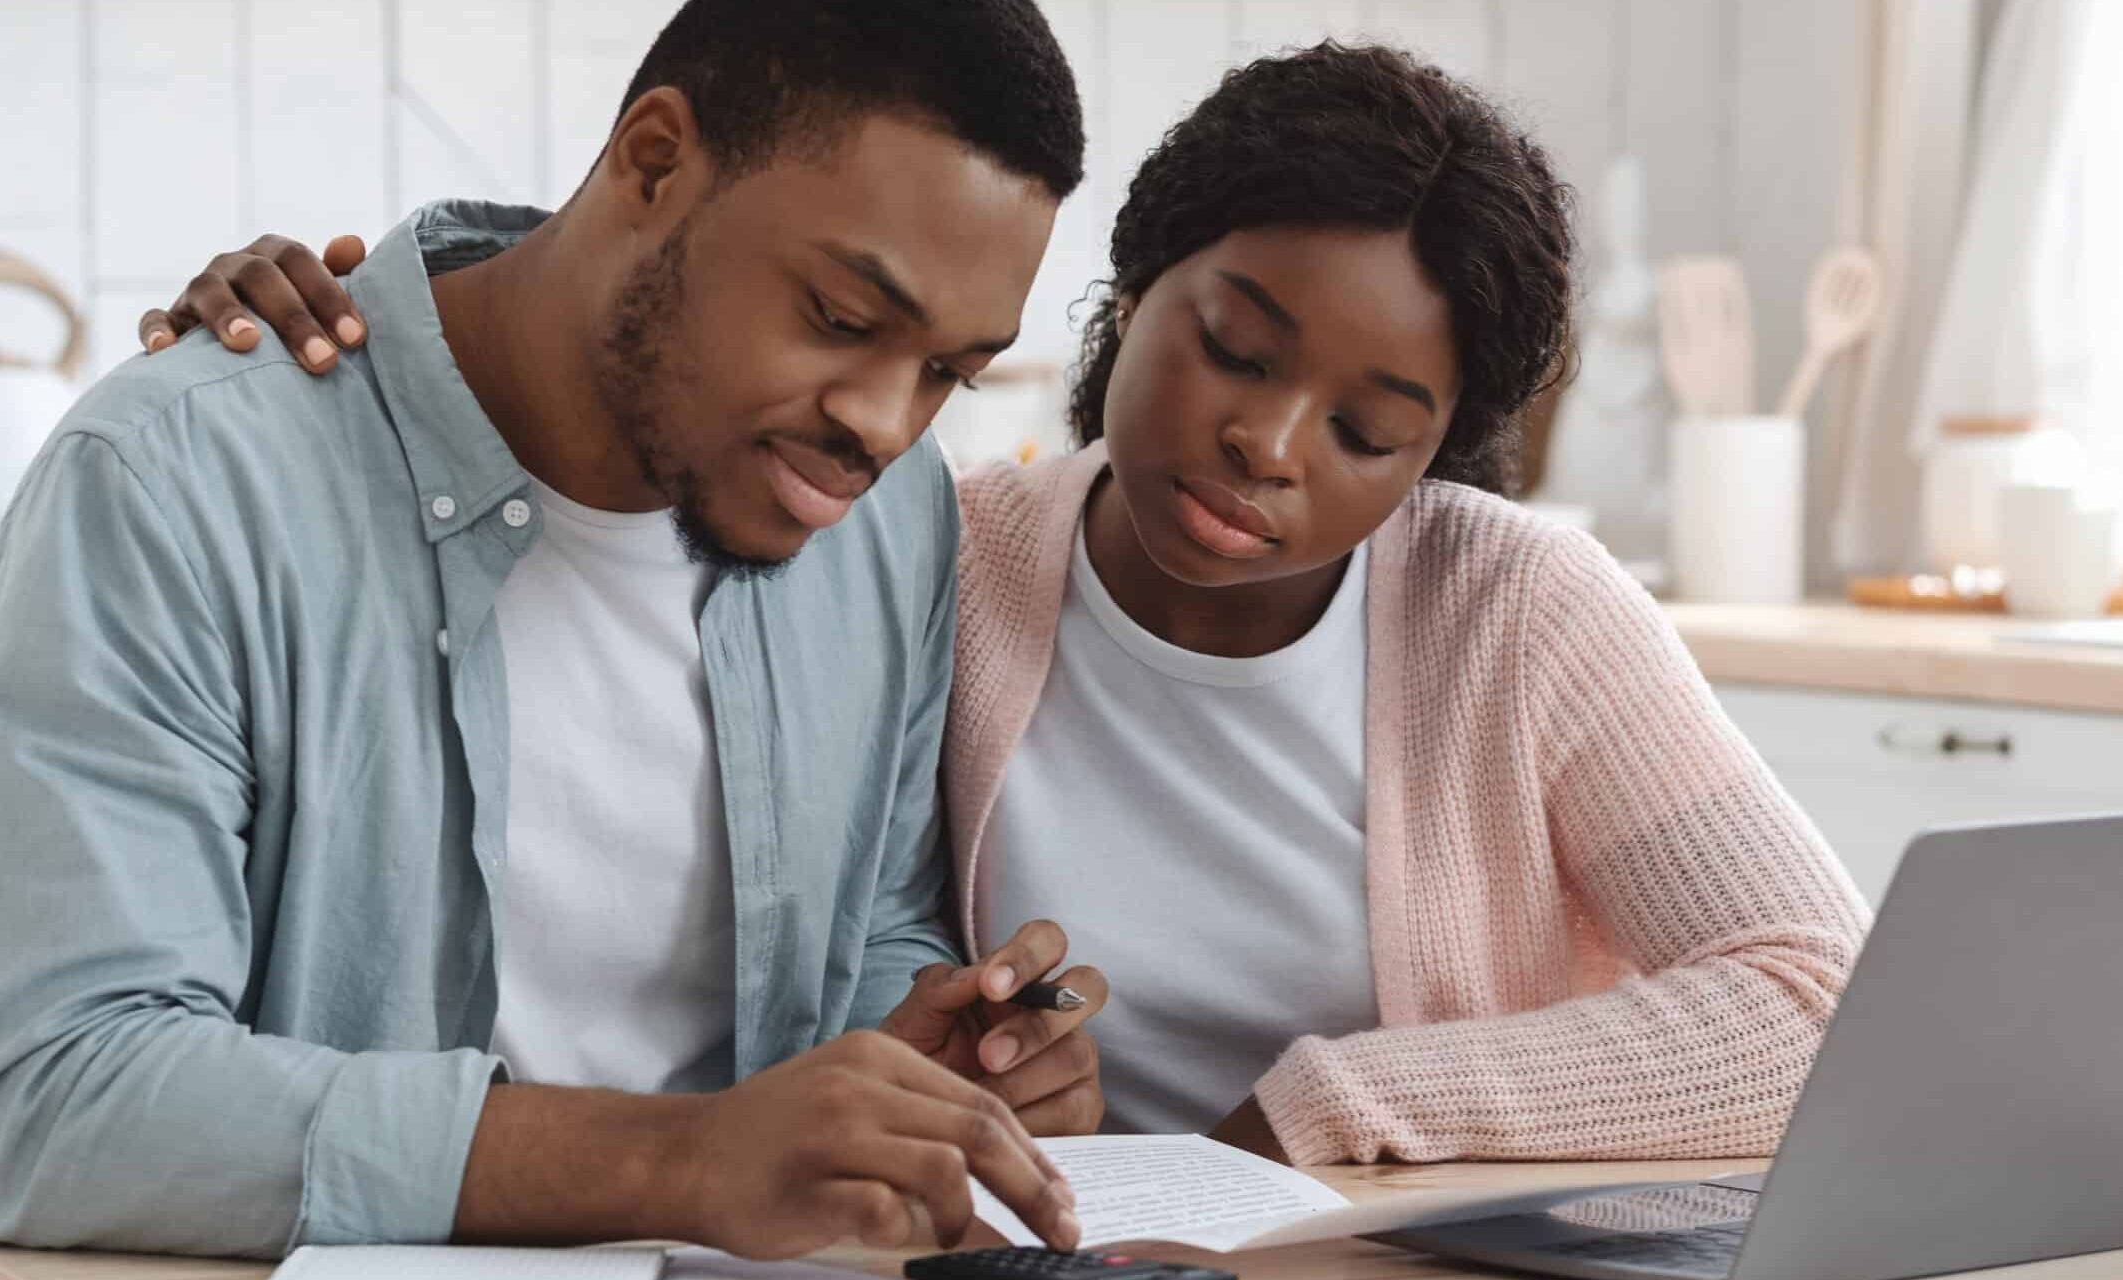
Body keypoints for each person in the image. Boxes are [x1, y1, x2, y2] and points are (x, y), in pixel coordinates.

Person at [150, 42, 1870, 1174]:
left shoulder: (1517, 613)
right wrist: (380, 312)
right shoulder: (916, 551)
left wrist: (1330, 1111)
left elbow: (1814, 998)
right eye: (1237, 347)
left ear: (1439, 457)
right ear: (1137, 288)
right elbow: (651, 337)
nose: (1266, 445)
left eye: (1365, 429)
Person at [0, 0, 1110, 1262]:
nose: (885, 423)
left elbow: (874, 915)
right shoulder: (182, 481)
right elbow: (47, 1099)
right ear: (653, 162)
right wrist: (675, 1160)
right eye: (839, 317)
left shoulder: (890, 520)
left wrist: (927, 1058)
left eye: (948, 372)